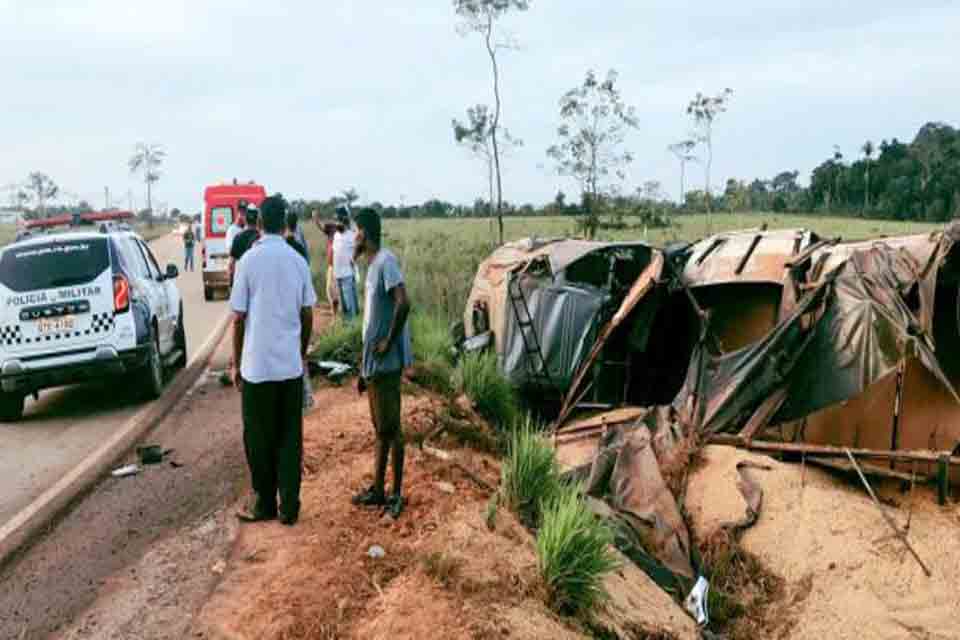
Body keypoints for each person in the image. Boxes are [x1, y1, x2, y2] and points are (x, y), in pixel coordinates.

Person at [230, 195, 317, 525]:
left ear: (261, 223)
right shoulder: (298, 261)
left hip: (257, 368)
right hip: (289, 367)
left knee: (258, 437)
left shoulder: (249, 262)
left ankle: (265, 502)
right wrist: (301, 351)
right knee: (289, 437)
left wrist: (237, 364)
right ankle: (290, 506)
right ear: (284, 223)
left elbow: (238, 318)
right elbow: (307, 313)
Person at [351, 208, 411, 518]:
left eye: (356, 231)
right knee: (381, 429)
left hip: (387, 363)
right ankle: (377, 489)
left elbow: (404, 302)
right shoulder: (373, 265)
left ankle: (396, 494)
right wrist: (364, 369)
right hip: (374, 365)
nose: (353, 237)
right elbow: (371, 320)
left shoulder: (386, 262)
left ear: (365, 232)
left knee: (393, 429)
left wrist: (388, 342)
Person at [332, 205, 359, 319]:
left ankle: (353, 328)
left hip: (347, 275)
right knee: (344, 307)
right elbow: (335, 252)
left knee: (350, 306)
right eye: (336, 220)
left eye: (339, 220)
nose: (336, 223)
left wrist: (353, 260)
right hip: (338, 275)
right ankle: (348, 326)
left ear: (344, 220)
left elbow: (358, 249)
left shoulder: (351, 235)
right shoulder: (336, 235)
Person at [229, 206, 260, 285]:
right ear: (257, 220)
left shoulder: (238, 237)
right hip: (257, 282)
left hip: (240, 282)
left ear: (245, 219)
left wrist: (231, 280)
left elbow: (231, 264)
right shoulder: (261, 237)